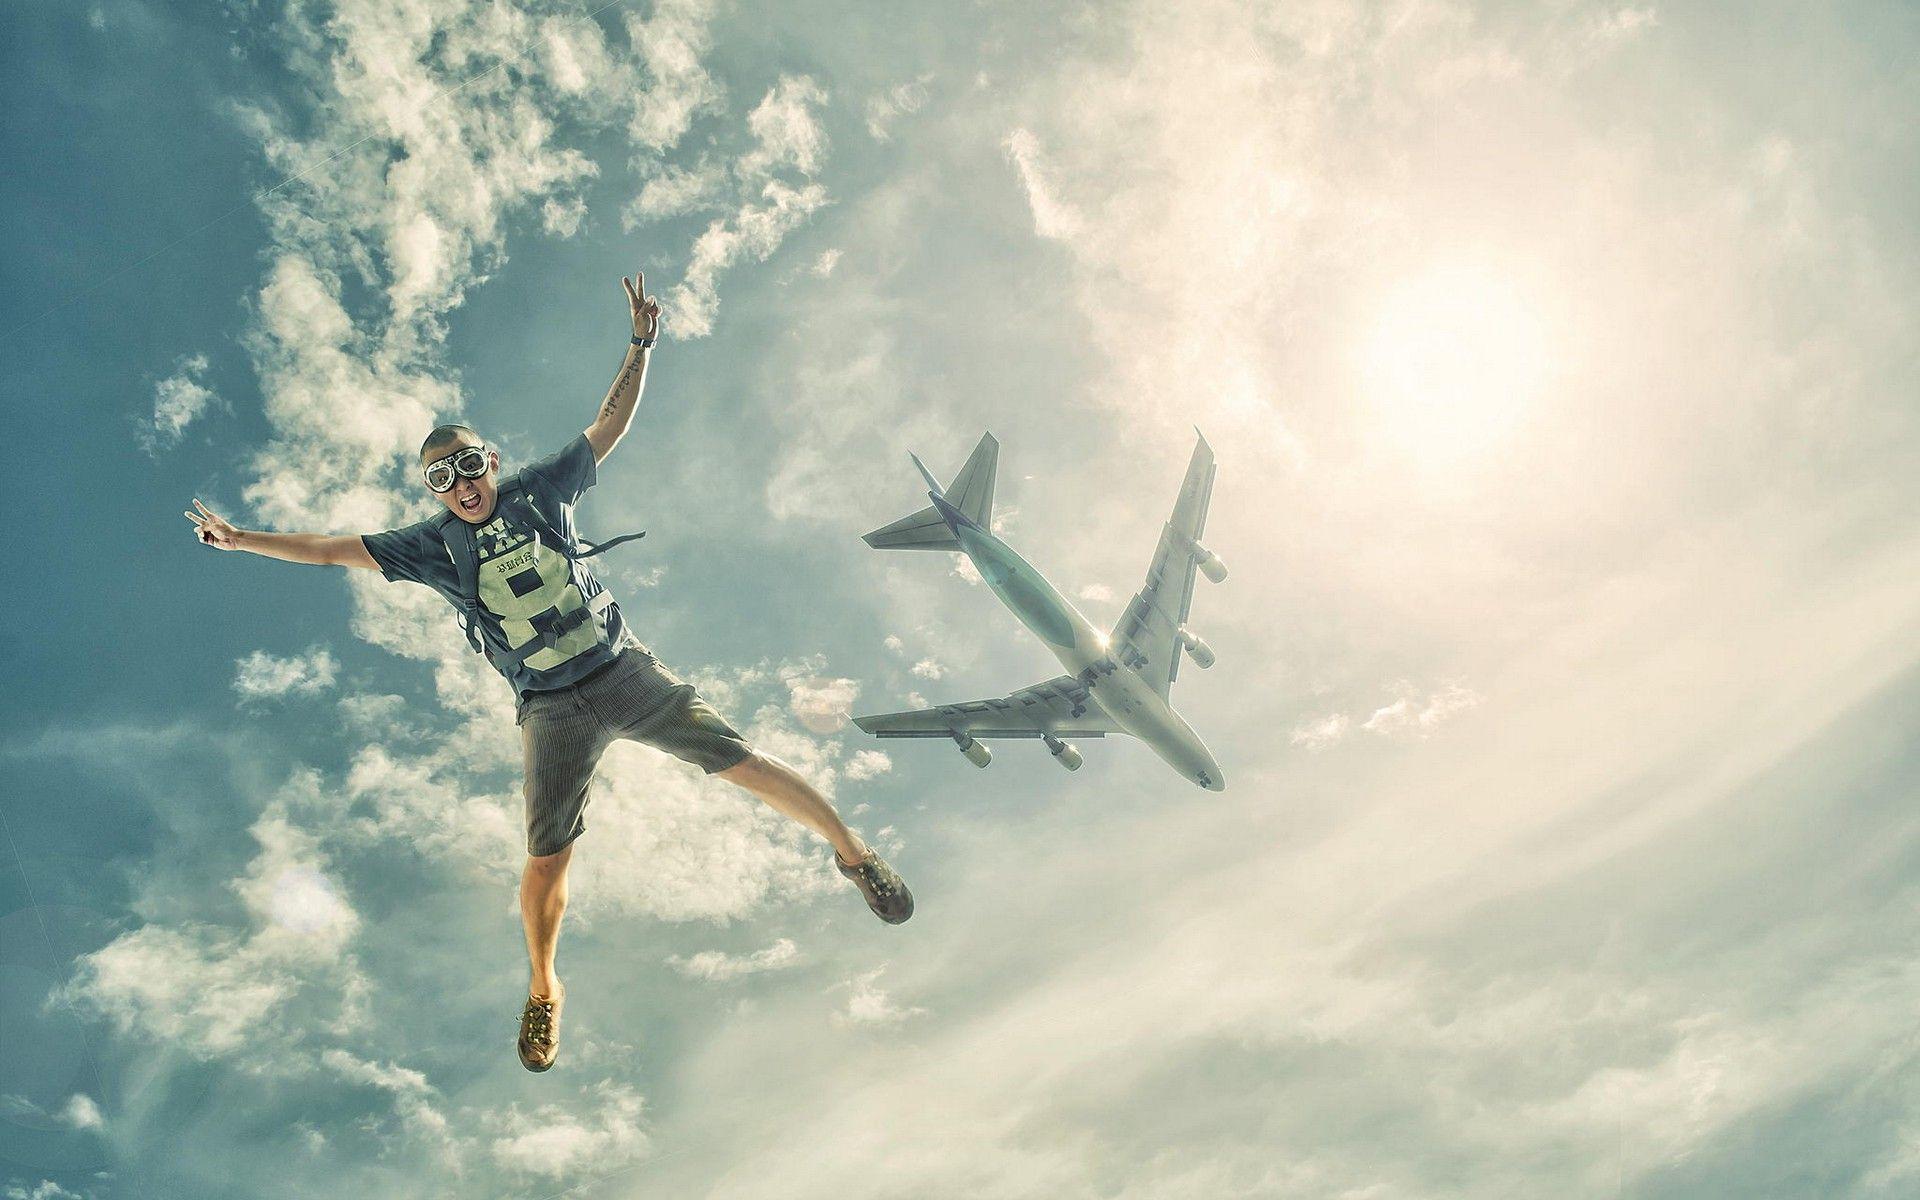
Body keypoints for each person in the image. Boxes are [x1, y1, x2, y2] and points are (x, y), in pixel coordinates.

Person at [185, 268, 911, 1073]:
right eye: (440, 477)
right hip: (550, 707)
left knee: (738, 760)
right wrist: (242, 539)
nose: (459, 485)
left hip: (621, 670)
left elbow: (609, 425)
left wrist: (639, 344)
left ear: (488, 460)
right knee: (545, 860)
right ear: (430, 490)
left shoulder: (541, 488)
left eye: (467, 466)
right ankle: (543, 989)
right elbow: (329, 548)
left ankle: (854, 855)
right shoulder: (428, 545)